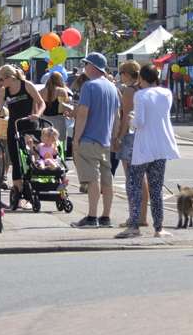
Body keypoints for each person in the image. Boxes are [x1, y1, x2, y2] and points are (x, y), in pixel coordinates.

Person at [120, 63, 182, 238]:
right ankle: (159, 227)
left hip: (144, 147)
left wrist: (131, 119)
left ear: (141, 78)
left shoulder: (140, 95)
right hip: (162, 146)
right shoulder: (167, 93)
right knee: (156, 188)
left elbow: (139, 122)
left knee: (134, 184)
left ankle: (133, 225)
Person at [70, 53, 119, 228]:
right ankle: (106, 217)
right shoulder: (113, 88)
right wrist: (114, 137)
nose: (84, 68)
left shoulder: (89, 86)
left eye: (86, 64)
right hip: (105, 140)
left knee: (92, 180)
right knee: (107, 180)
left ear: (92, 67)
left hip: (89, 138)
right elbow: (116, 116)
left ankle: (91, 217)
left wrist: (76, 138)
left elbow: (83, 113)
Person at [0, 65, 46, 204]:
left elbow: (41, 102)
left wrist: (37, 114)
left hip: (29, 125)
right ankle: (18, 191)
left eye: (1, 79)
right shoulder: (4, 92)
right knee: (15, 160)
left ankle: (31, 191)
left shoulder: (26, 85)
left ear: (10, 78)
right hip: (14, 127)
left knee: (31, 158)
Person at [41, 70, 73, 141]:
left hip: (45, 121)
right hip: (58, 121)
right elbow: (62, 109)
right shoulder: (61, 91)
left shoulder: (41, 91)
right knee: (60, 145)